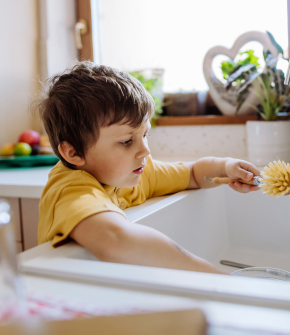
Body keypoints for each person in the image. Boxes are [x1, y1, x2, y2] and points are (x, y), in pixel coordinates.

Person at [33, 61, 260, 274]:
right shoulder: (69, 189)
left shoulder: (136, 172)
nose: (145, 151)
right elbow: (115, 240)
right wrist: (211, 275)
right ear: (73, 152)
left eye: (145, 135)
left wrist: (227, 167)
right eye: (126, 141)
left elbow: (192, 173)